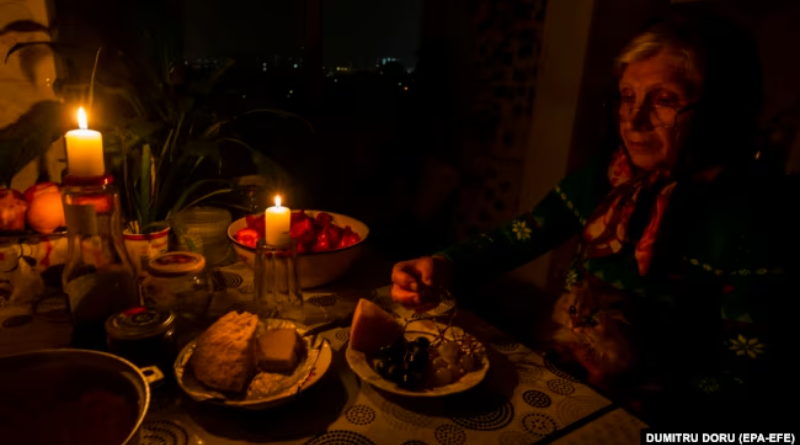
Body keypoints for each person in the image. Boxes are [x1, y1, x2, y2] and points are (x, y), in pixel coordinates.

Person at [391, 12, 795, 428]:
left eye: (664, 99)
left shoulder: (754, 223)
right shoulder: (610, 176)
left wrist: (649, 382)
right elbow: (526, 233)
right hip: (567, 374)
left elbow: (751, 378)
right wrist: (445, 264)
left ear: (720, 110)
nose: (633, 121)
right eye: (627, 96)